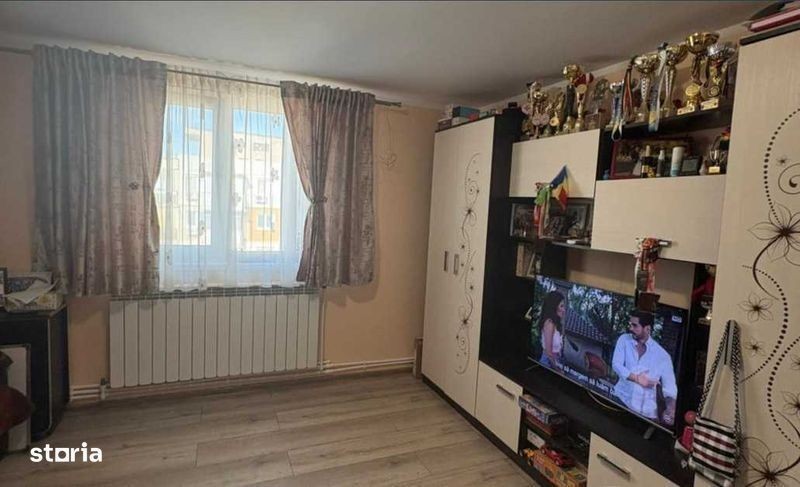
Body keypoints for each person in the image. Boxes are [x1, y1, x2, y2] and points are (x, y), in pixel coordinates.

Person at [611, 310, 677, 425]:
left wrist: (670, 409)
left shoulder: (663, 356)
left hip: (645, 414)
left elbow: (670, 389)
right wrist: (637, 378)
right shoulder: (624, 340)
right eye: (630, 324)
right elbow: (616, 364)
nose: (630, 328)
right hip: (619, 400)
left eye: (635, 325)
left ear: (647, 328)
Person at [537, 290, 565, 370]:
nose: (564, 310)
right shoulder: (549, 323)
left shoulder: (555, 323)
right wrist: (558, 371)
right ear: (554, 306)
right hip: (547, 364)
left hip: (554, 362)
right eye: (561, 306)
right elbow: (549, 353)